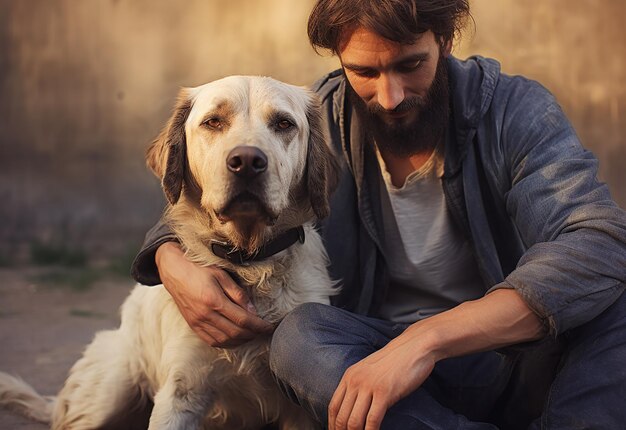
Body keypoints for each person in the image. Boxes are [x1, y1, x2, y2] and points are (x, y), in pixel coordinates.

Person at [132, 1, 626, 428]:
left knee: (615, 300)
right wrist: (169, 259)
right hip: (370, 365)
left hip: (511, 357)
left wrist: (427, 340)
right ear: (341, 60)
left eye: (411, 65)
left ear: (446, 41)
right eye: (365, 72)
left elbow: (600, 241)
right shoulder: (313, 118)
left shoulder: (516, 111)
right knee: (300, 340)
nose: (390, 97)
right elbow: (211, 183)